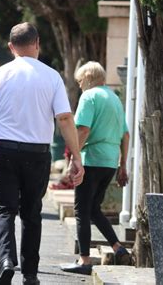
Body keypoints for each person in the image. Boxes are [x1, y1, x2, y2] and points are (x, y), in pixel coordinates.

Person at [0, 22, 84, 285]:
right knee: (32, 213)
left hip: (5, 150)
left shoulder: (0, 75)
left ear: (11, 47)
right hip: (38, 153)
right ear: (38, 43)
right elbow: (65, 118)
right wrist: (76, 157)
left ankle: (7, 261)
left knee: (4, 210)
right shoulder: (52, 76)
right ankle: (30, 274)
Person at [60, 61, 130, 275]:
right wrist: (123, 164)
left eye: (80, 81)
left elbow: (82, 130)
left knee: (82, 209)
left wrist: (74, 157)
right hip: (109, 162)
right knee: (93, 209)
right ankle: (118, 247)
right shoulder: (115, 99)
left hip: (90, 159)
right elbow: (125, 134)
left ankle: (84, 261)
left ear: (88, 78)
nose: (80, 86)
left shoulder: (89, 97)